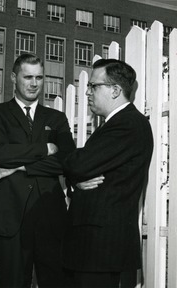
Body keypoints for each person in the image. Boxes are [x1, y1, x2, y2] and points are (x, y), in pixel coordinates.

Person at [0, 53, 76, 287]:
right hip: (10, 217)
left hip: (50, 217)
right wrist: (46, 147)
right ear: (14, 77)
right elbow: (0, 154)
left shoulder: (56, 118)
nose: (34, 83)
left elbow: (68, 160)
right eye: (28, 77)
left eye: (39, 77)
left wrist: (20, 166)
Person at [62, 59, 153, 288]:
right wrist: (77, 179)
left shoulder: (129, 124)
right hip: (93, 248)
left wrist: (69, 161)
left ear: (115, 91)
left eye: (94, 86)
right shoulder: (113, 124)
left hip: (102, 249)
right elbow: (82, 167)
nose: (87, 92)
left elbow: (78, 164)